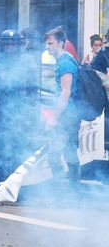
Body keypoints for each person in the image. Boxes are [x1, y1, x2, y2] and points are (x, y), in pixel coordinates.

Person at [44, 27, 81, 186]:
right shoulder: (63, 60)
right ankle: (72, 190)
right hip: (70, 114)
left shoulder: (65, 62)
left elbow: (65, 93)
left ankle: (63, 189)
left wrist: (54, 117)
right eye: (46, 43)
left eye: (50, 43)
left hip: (68, 115)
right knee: (69, 152)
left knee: (56, 153)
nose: (47, 47)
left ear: (60, 43)